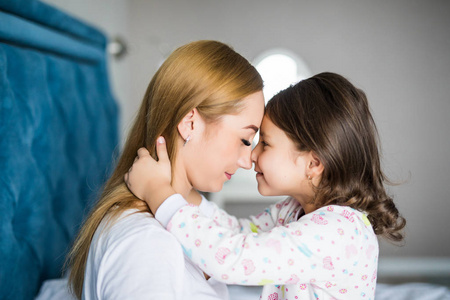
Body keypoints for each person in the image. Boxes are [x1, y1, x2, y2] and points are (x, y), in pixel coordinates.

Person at [125, 72, 406, 300]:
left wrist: (158, 192)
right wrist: (184, 192)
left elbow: (231, 259)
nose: (252, 156)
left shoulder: (339, 232)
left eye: (266, 144)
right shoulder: (293, 211)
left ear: (313, 164)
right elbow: (235, 232)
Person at [65, 40, 265, 300]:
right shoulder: (148, 244)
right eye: (245, 140)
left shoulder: (181, 220)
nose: (247, 160)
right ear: (190, 123)